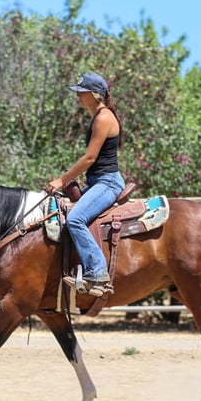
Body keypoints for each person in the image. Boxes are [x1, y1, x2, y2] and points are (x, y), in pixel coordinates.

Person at [46, 72, 125, 297]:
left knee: (75, 219)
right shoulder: (99, 116)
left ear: (94, 94)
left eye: (81, 92)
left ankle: (98, 272)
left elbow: (90, 158)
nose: (78, 96)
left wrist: (62, 180)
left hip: (107, 183)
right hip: (98, 181)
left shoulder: (103, 118)